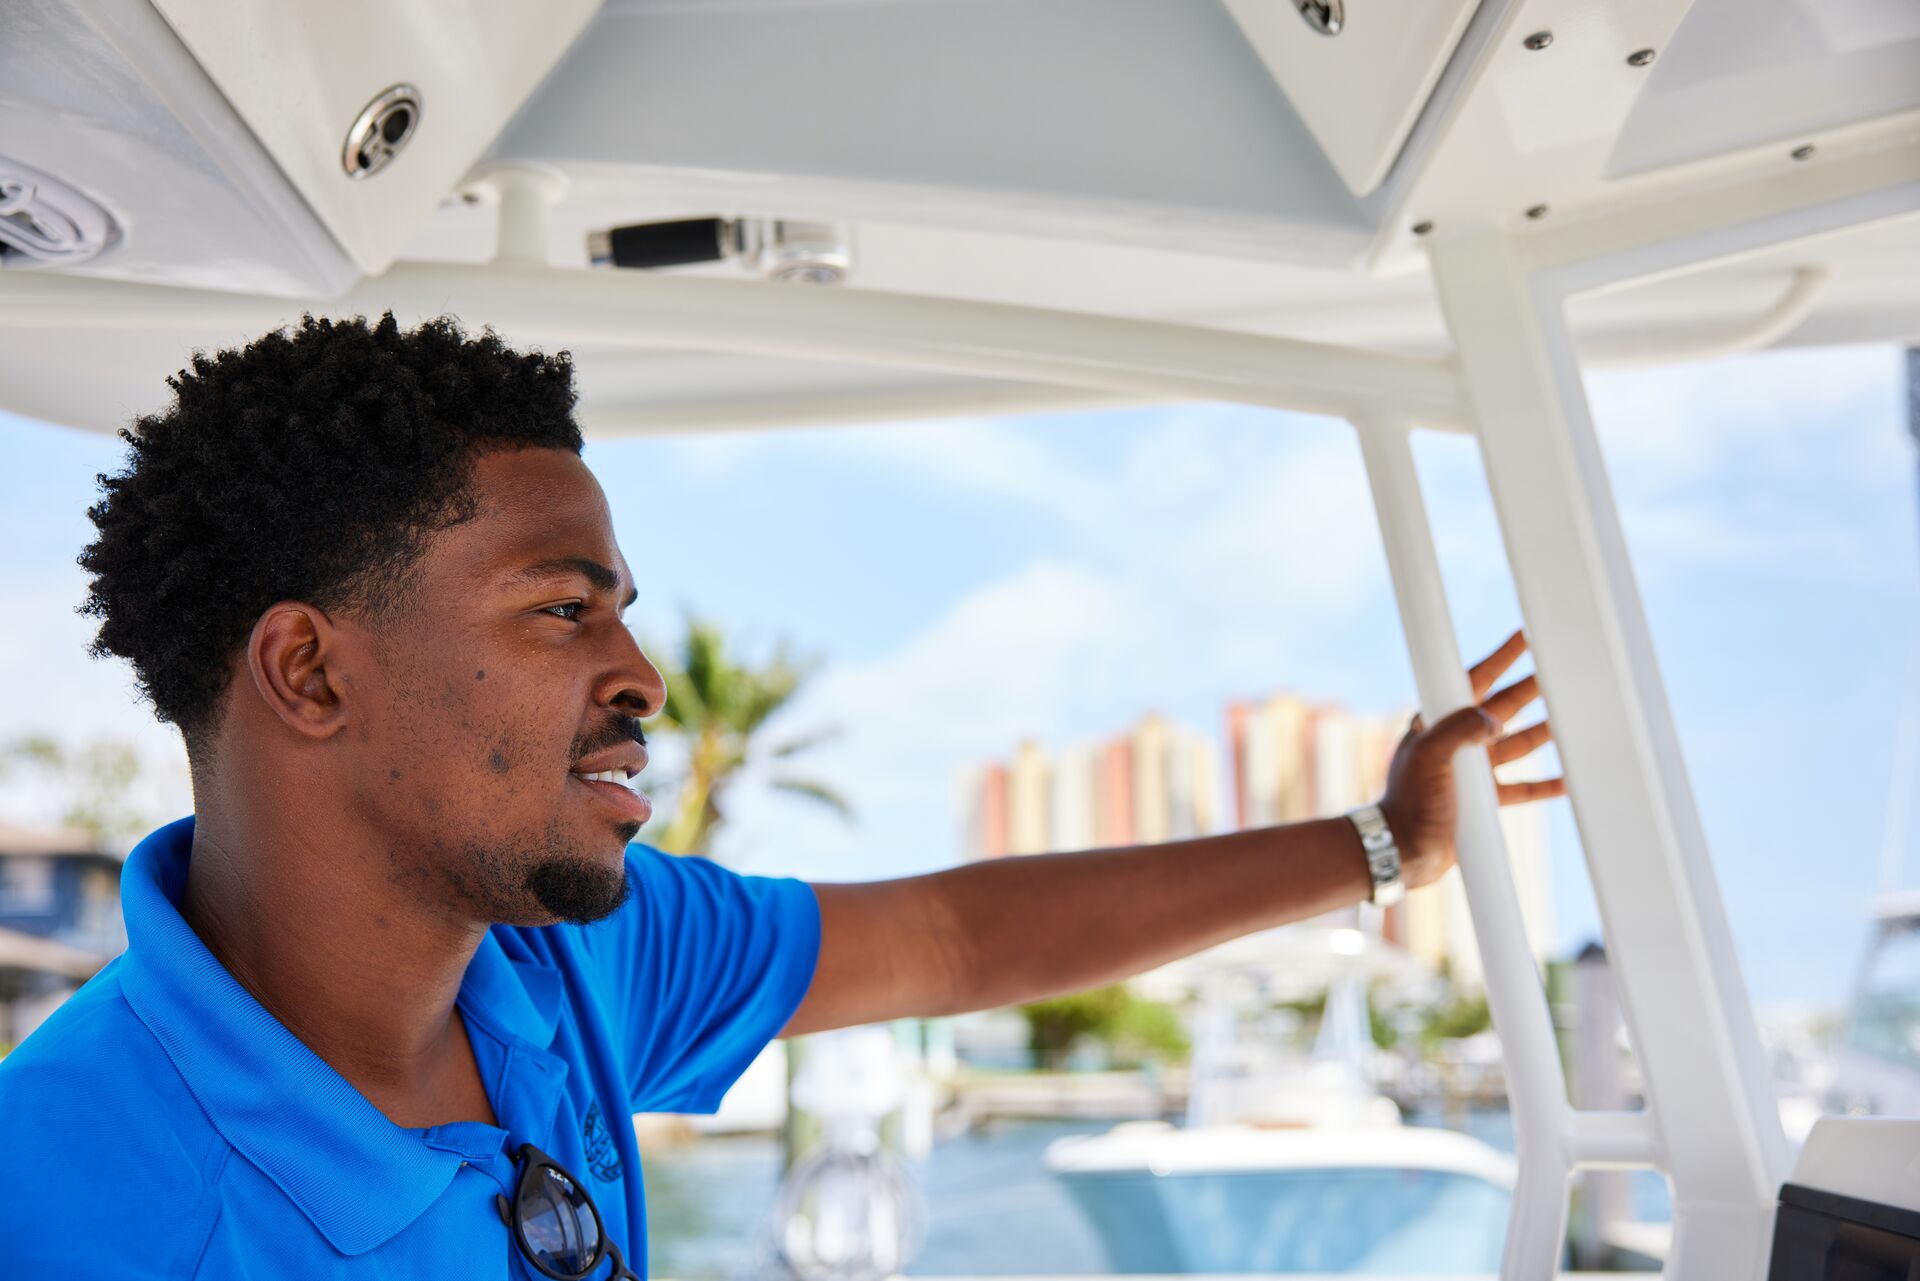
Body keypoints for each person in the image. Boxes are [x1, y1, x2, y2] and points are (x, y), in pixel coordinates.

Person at [0, 314, 1562, 1279]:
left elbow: (951, 934)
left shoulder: (556, 959)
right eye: (563, 608)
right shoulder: (78, 1205)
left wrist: (1383, 844)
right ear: (311, 674)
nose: (642, 674)